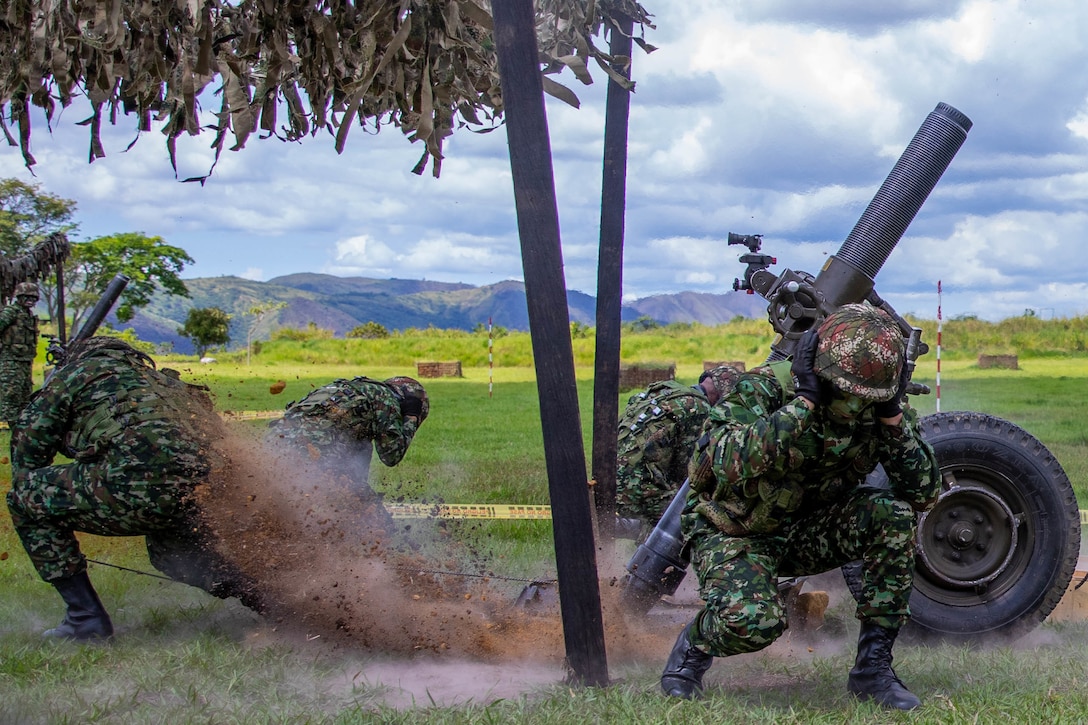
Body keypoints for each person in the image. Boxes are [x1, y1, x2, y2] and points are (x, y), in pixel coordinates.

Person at [660, 303, 940, 711]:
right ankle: (693, 649)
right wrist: (803, 405)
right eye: (844, 394)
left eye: (865, 398)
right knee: (754, 624)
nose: (852, 407)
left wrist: (892, 417)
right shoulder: (766, 389)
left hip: (806, 532)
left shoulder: (876, 408)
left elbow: (925, 493)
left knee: (892, 515)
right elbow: (722, 460)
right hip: (736, 530)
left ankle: (873, 670)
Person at [6, 337, 262, 641]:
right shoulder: (164, 382)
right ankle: (278, 604)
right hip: (204, 492)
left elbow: (27, 457)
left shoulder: (76, 374)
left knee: (25, 499)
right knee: (171, 554)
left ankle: (84, 618)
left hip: (136, 485)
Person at [266, 374, 429, 516]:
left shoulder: (348, 390)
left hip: (273, 447)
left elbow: (356, 464)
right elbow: (391, 455)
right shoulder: (386, 399)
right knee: (375, 523)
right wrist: (411, 417)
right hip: (312, 452)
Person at [615, 365, 742, 536]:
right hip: (634, 490)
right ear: (723, 395)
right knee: (691, 516)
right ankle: (645, 561)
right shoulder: (699, 409)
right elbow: (687, 472)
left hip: (612, 482)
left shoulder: (666, 392)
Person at [0, 281, 41, 427]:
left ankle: (21, 424)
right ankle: (9, 422)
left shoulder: (28, 315)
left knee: (25, 393)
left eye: (33, 297)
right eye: (26, 297)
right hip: (11, 359)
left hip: (25, 360)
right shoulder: (11, 312)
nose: (30, 300)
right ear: (19, 297)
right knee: (11, 392)